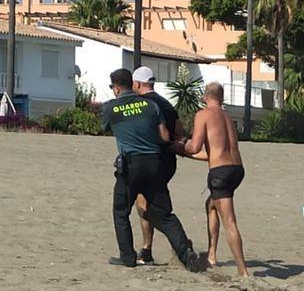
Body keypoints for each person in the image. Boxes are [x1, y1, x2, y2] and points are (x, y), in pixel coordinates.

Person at [101, 68, 204, 272]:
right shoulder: (151, 105)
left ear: (116, 88)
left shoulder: (110, 107)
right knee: (164, 214)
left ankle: (128, 256)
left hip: (131, 166)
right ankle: (186, 254)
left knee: (121, 211)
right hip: (155, 164)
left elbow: (106, 127)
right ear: (133, 84)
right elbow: (165, 137)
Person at [177, 82, 249, 277]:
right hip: (237, 169)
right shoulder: (227, 116)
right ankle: (212, 255)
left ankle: (243, 271)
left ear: (204, 96)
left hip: (221, 173)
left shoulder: (203, 115)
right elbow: (213, 154)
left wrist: (177, 147)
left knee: (229, 221)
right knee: (211, 204)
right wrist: (185, 153)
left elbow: (194, 147)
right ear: (222, 97)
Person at [130, 66, 186, 266]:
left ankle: (172, 244)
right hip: (169, 161)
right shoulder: (167, 105)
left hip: (150, 161)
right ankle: (148, 249)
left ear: (137, 84)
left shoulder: (140, 104)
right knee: (148, 201)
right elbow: (180, 132)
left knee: (145, 205)